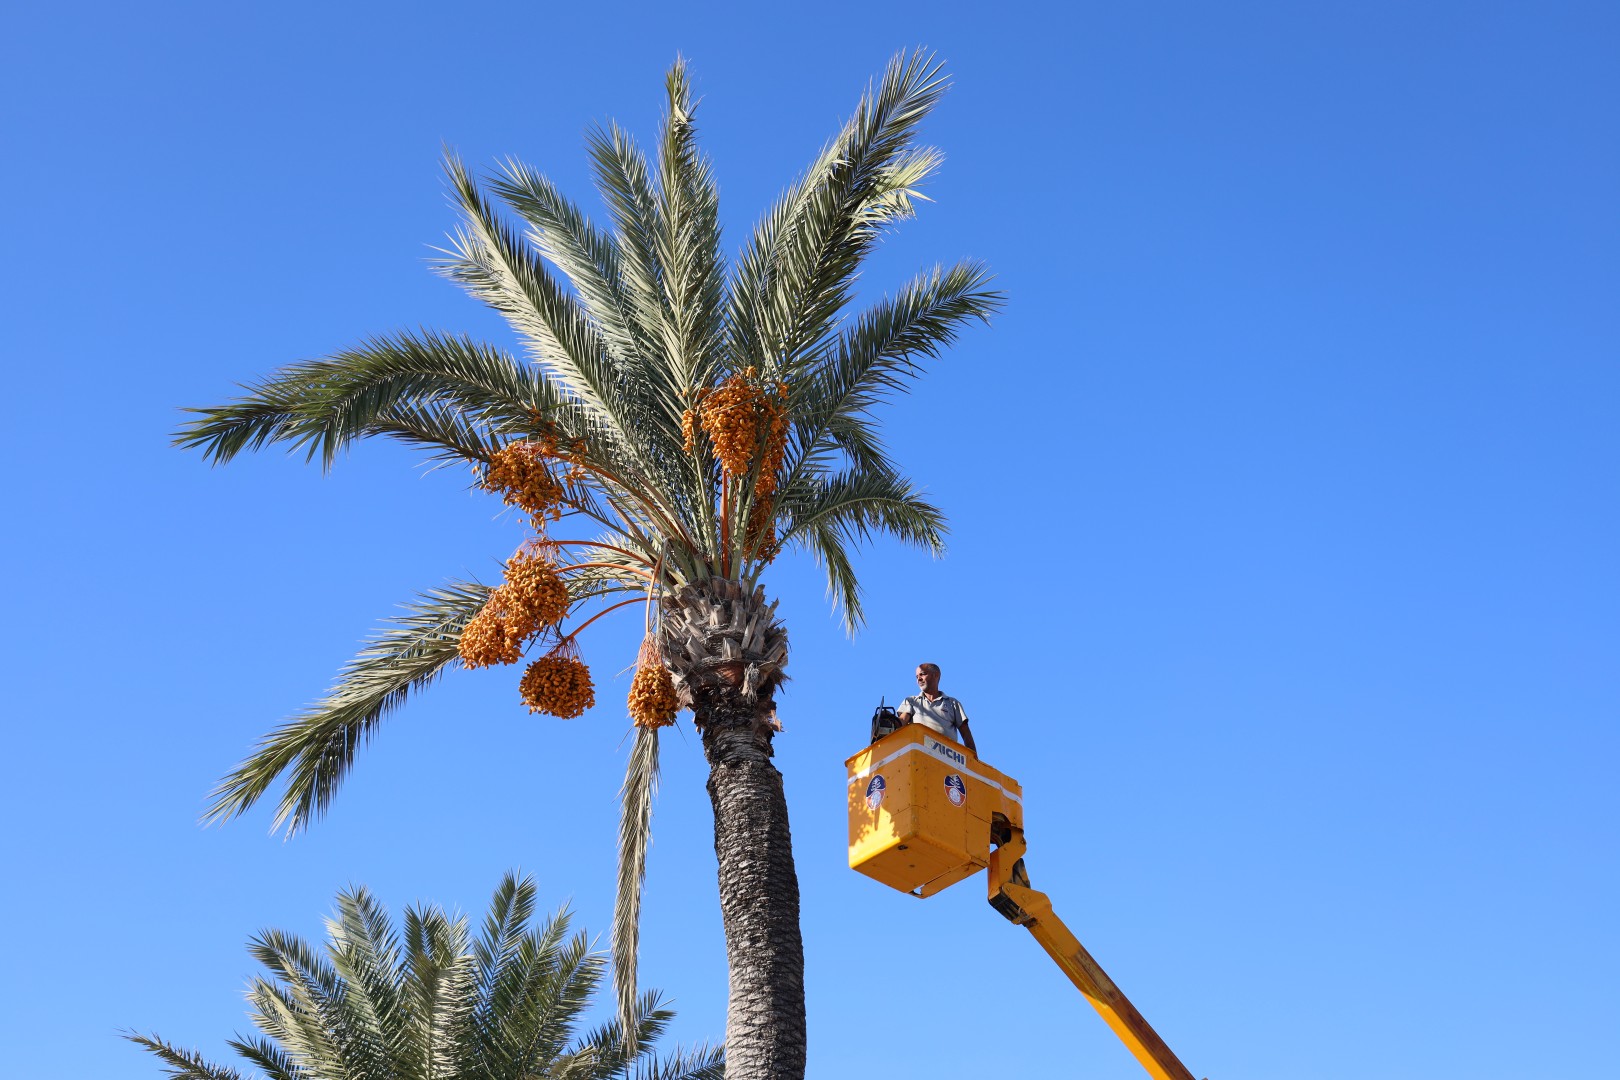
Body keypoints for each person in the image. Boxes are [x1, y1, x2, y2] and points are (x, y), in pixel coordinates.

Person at [897, 662, 976, 754]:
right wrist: (889, 720)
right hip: (921, 752)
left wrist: (973, 759)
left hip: (947, 756)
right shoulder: (911, 701)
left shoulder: (952, 703)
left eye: (922, 674)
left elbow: (966, 734)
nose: (919, 679)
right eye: (917, 676)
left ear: (936, 675)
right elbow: (901, 722)